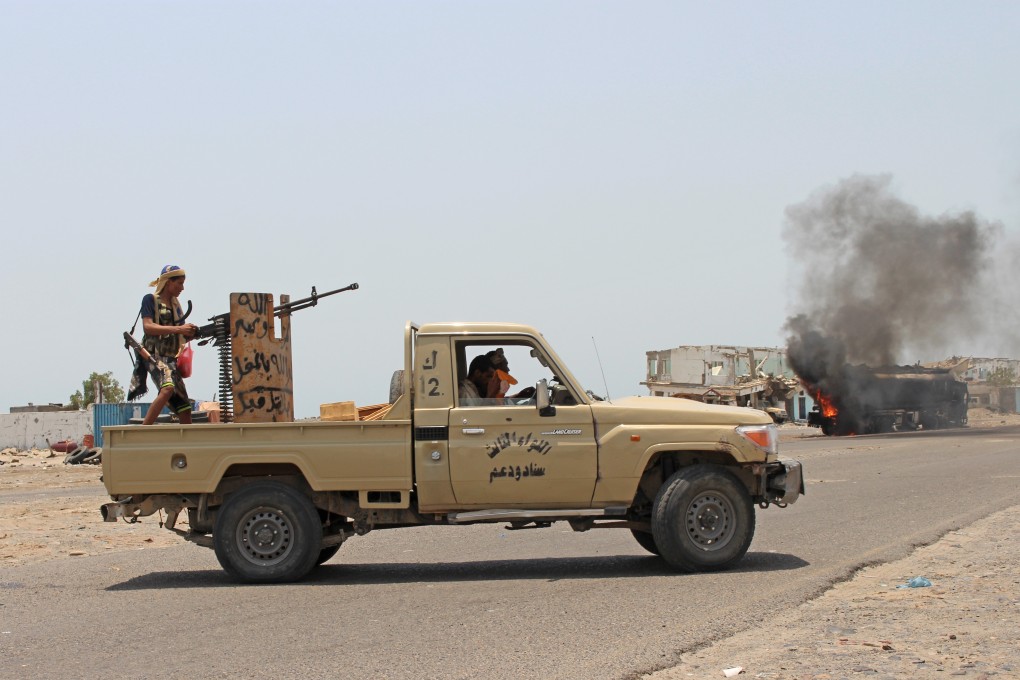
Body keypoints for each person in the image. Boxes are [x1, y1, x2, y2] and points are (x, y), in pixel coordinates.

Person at [129, 265, 199, 425]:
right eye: (179, 283)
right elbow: (148, 327)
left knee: (184, 407)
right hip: (154, 356)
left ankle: (187, 442)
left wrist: (190, 333)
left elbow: (178, 336)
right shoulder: (150, 300)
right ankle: (143, 432)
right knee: (167, 388)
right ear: (168, 282)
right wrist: (180, 328)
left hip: (171, 359)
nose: (182, 288)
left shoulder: (176, 307)